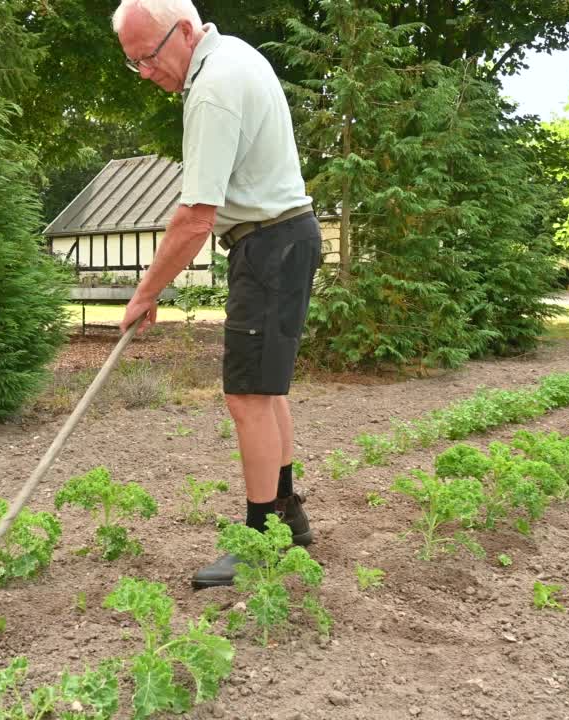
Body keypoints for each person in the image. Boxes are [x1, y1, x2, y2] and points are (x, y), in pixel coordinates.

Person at [112, 0, 322, 588]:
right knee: (267, 391)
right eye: (134, 64)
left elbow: (194, 217)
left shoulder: (211, 88)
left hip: (269, 247)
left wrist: (146, 291)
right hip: (286, 237)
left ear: (183, 31)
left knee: (248, 398)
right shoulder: (236, 55)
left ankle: (259, 544)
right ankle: (289, 519)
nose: (146, 73)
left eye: (147, 58)